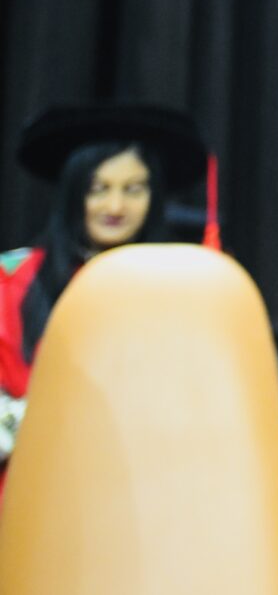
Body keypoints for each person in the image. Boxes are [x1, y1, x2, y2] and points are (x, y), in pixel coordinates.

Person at [0, 103, 209, 482]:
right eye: (99, 189)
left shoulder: (181, 286)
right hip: (32, 485)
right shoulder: (14, 279)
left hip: (144, 485)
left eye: (134, 189)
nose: (116, 206)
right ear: (73, 193)